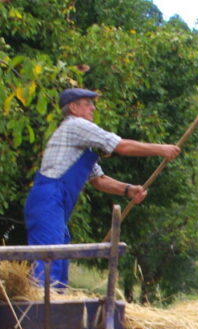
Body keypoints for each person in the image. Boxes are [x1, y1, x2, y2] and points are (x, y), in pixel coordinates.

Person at [23, 88, 180, 287]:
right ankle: (41, 314)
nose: (93, 108)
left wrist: (128, 189)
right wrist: (161, 149)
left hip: (55, 204)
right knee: (49, 261)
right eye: (88, 103)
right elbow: (121, 146)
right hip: (48, 200)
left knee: (59, 259)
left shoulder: (80, 144)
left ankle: (57, 310)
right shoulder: (75, 125)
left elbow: (98, 179)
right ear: (73, 107)